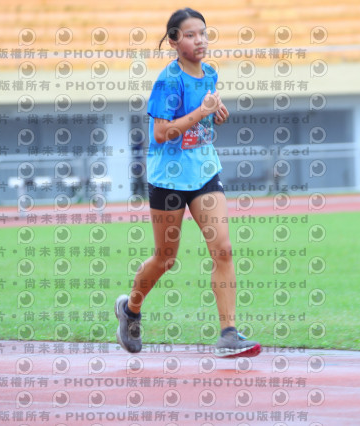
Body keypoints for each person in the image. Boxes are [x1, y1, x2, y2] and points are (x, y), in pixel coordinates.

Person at [114, 8, 261, 358]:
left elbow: (202, 121)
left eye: (203, 33)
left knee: (223, 249)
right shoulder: (169, 81)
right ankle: (131, 309)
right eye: (191, 35)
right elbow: (162, 132)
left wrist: (215, 116)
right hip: (168, 178)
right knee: (166, 258)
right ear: (174, 41)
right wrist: (201, 113)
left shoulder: (210, 73)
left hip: (204, 171)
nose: (200, 40)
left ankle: (228, 334)